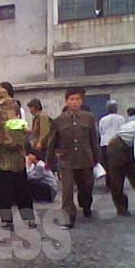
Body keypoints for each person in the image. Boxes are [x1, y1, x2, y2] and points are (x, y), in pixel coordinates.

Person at [47, 88, 100, 229]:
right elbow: (52, 141)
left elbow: (94, 140)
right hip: (67, 160)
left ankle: (86, 206)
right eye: (71, 99)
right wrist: (49, 161)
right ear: (66, 101)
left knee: (86, 186)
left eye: (77, 99)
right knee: (67, 191)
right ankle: (68, 218)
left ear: (81, 101)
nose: (75, 102)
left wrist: (97, 159)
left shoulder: (88, 117)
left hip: (85, 159)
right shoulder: (59, 120)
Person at [0, 102, 36, 230]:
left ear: (17, 114)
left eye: (8, 113)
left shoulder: (20, 128)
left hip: (17, 165)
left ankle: (29, 218)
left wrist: (0, 139)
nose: (6, 116)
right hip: (1, 166)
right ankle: (7, 221)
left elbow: (15, 144)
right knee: (3, 195)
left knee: (23, 194)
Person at [98, 99, 126, 188]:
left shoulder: (103, 119)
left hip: (105, 143)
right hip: (118, 143)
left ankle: (109, 182)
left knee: (107, 164)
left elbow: (101, 131)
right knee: (119, 164)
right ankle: (118, 182)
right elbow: (123, 130)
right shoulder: (121, 118)